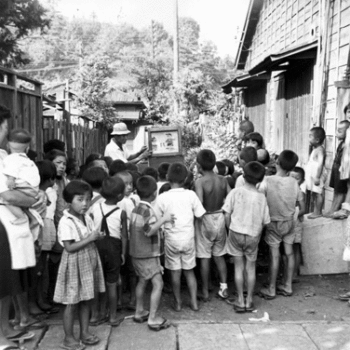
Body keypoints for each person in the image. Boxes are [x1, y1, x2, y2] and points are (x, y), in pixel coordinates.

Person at [0, 105, 46, 348]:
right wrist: (32, 200)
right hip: (5, 221)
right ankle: (3, 333)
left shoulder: (6, 158)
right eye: (5, 125)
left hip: (12, 223)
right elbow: (7, 195)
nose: (6, 131)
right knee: (5, 278)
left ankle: (8, 328)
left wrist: (37, 197)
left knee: (10, 278)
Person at [54, 180, 105, 350]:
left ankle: (85, 332)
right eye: (80, 199)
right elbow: (69, 247)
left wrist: (97, 236)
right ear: (70, 200)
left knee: (86, 299)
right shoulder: (66, 221)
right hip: (74, 263)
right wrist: (90, 239)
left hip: (88, 260)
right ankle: (69, 338)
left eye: (88, 199)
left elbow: (89, 236)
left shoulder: (86, 217)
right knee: (71, 302)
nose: (85, 204)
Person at [155, 163, 206, 312]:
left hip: (171, 239)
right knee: (189, 272)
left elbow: (157, 219)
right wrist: (196, 233)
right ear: (185, 179)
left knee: (175, 272)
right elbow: (200, 215)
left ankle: (177, 303)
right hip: (188, 238)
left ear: (166, 178)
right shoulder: (191, 195)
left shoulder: (162, 197)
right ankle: (194, 302)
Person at [223, 161, 270, 312]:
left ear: (243, 175)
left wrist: (230, 228)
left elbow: (227, 214)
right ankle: (249, 301)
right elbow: (265, 222)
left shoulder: (235, 192)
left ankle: (240, 300)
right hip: (253, 235)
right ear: (261, 179)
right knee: (250, 268)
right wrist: (257, 233)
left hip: (235, 232)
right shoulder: (261, 198)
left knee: (238, 267)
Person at [259, 150, 304, 299]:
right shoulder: (294, 182)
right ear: (292, 168)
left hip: (274, 222)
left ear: (277, 162)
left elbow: (260, 199)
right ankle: (288, 286)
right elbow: (301, 203)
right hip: (290, 222)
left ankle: (271, 288)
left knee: (274, 255)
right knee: (289, 253)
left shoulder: (267, 180)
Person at [130, 176, 173, 331]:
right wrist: (164, 219)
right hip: (148, 254)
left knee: (142, 281)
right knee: (158, 283)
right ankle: (153, 318)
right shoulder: (147, 210)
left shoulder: (136, 208)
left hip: (136, 253)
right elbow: (149, 231)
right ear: (155, 193)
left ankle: (139, 311)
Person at [194, 150, 230, 301]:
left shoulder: (200, 182)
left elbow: (200, 204)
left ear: (198, 166)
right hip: (220, 216)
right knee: (219, 255)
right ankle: (224, 287)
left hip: (206, 217)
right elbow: (230, 198)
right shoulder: (223, 179)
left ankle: (205, 291)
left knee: (204, 257)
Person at [91, 177, 127, 327]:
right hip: (114, 248)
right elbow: (124, 235)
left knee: (95, 283)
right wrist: (123, 253)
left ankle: (95, 316)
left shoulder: (95, 208)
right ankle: (112, 317)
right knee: (112, 283)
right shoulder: (121, 212)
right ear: (120, 196)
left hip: (97, 245)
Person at [1, 129, 41, 227]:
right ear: (27, 149)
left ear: (7, 146)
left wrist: (10, 179)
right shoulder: (27, 160)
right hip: (33, 188)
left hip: (23, 188)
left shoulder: (10, 158)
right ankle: (33, 218)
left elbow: (12, 170)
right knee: (21, 203)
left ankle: (21, 217)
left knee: (6, 200)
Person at [114, 171, 140, 310]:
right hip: (124, 239)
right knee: (125, 271)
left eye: (131, 183)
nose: (129, 187)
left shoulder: (133, 198)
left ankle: (128, 299)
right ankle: (127, 299)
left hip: (129, 239)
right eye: (125, 184)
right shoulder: (122, 201)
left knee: (129, 271)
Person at [324, 120, 350, 217]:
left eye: (339, 131)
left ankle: (334, 209)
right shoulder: (341, 144)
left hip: (341, 171)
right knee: (336, 190)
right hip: (336, 169)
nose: (336, 133)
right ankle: (333, 208)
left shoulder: (347, 146)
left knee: (340, 191)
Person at [289, 167, 306, 282]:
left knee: (295, 247)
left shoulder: (300, 192)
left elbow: (303, 210)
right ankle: (288, 273)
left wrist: (293, 216)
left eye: (297, 178)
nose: (294, 181)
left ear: (303, 180)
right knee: (287, 248)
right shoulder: (287, 191)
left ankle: (294, 274)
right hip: (288, 221)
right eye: (292, 177)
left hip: (295, 223)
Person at [305, 127, 326, 219]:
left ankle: (318, 212)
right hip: (313, 175)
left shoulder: (320, 150)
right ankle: (315, 211)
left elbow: (320, 164)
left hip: (318, 175)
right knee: (314, 193)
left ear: (317, 140)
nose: (308, 139)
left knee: (318, 192)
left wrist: (317, 177)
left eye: (310, 136)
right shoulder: (315, 149)